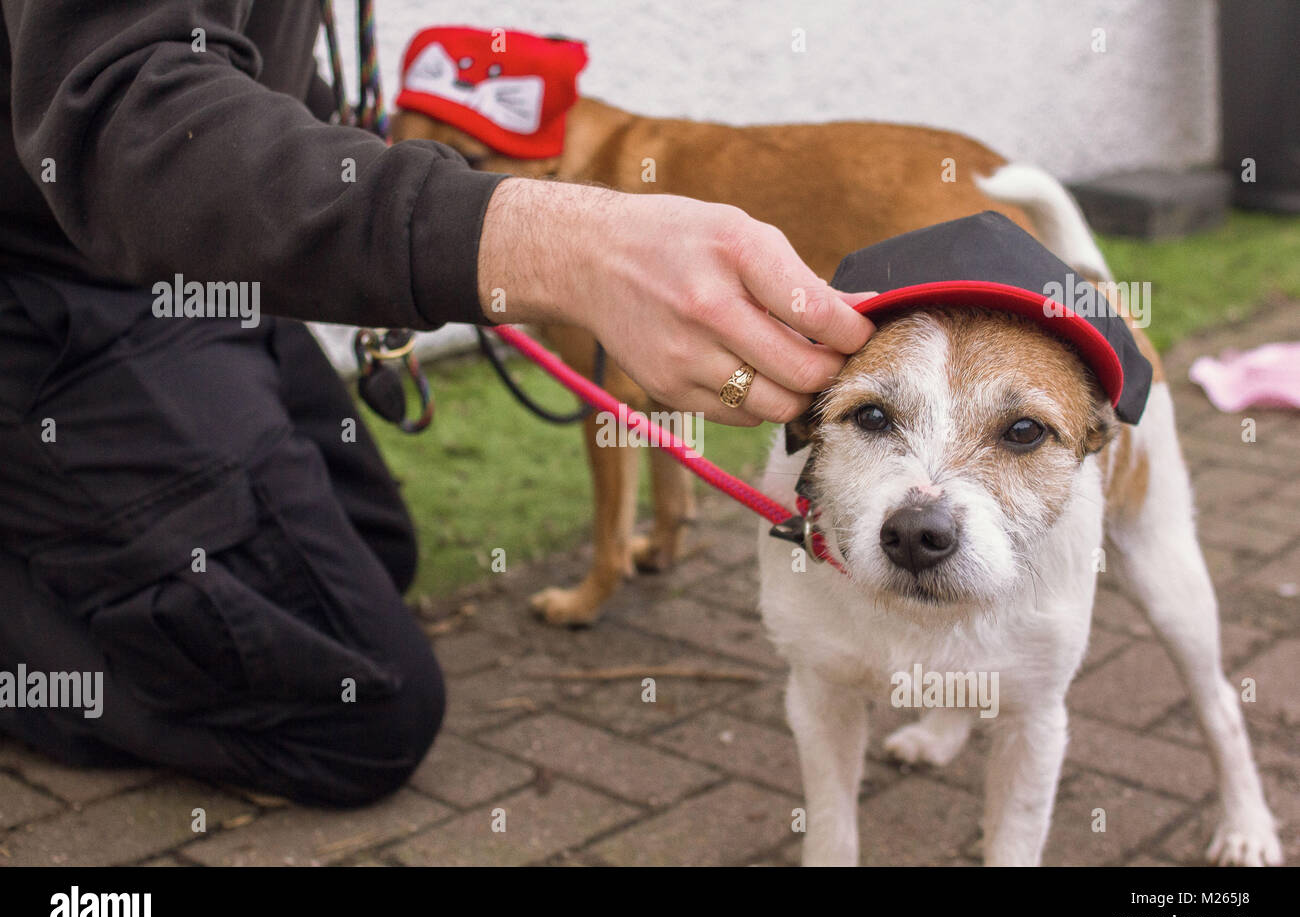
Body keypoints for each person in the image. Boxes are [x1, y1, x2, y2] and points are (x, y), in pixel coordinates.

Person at [0, 2, 874, 806]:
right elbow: (123, 113)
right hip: (54, 279)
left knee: (377, 553)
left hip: (188, 273)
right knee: (365, 716)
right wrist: (553, 248)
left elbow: (236, 71)